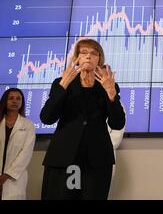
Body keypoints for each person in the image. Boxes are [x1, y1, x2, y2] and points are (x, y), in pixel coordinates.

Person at [40, 38, 126, 200]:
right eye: (84, 53)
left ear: (99, 60)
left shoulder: (107, 86)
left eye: (94, 53)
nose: (88, 57)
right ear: (76, 58)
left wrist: (112, 95)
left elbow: (117, 123)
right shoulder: (61, 83)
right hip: (64, 158)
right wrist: (63, 85)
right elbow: (47, 118)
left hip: (96, 161)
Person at [0, 88, 36, 200]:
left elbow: (26, 153)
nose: (15, 101)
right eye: (11, 98)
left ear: (22, 103)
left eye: (18, 99)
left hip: (14, 178)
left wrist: (7, 175)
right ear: (5, 101)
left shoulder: (28, 125)